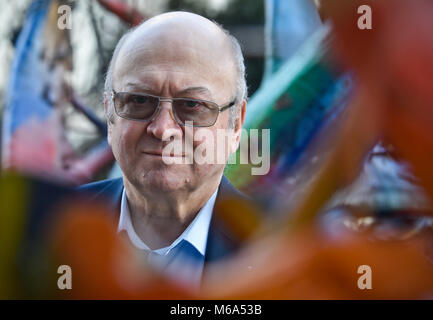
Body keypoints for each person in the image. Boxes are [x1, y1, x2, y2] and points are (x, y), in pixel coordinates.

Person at [79, 11, 251, 287]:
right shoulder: (43, 231)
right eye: (138, 100)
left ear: (236, 124)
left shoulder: (289, 250)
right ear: (110, 112)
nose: (162, 129)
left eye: (192, 105)